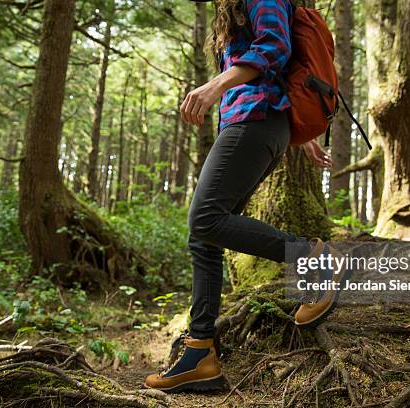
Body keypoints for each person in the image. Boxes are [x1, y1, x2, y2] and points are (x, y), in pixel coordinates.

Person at [144, 0, 337, 392]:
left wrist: (214, 85)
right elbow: (276, 69)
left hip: (255, 121)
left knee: (205, 219)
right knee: (206, 235)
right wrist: (302, 138)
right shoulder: (233, 8)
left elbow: (276, 47)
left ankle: (313, 258)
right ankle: (200, 352)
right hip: (254, 122)